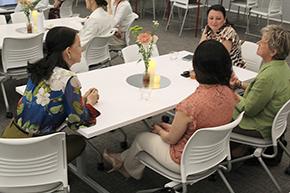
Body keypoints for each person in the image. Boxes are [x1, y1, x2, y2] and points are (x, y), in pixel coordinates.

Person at [103, 40, 240, 180]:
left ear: (196, 67)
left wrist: (160, 131)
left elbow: (171, 139)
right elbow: (207, 122)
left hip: (184, 161)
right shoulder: (230, 93)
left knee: (141, 138)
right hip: (213, 156)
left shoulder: (190, 105)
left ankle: (128, 170)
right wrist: (172, 127)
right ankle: (121, 158)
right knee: (160, 134)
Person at [1, 26, 101, 163]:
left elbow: (51, 101)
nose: (82, 49)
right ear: (68, 51)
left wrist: (79, 100)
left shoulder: (39, 68)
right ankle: (43, 169)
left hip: (9, 141)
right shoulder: (70, 80)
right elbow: (77, 122)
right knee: (79, 142)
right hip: (34, 149)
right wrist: (89, 103)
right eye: (79, 45)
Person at [231, 25, 290, 156]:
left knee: (213, 111)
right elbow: (262, 92)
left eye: (262, 42)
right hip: (272, 122)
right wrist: (240, 84)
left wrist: (229, 92)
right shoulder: (282, 67)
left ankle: (215, 157)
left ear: (273, 51)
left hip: (258, 126)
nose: (257, 43)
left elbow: (249, 109)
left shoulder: (268, 77)